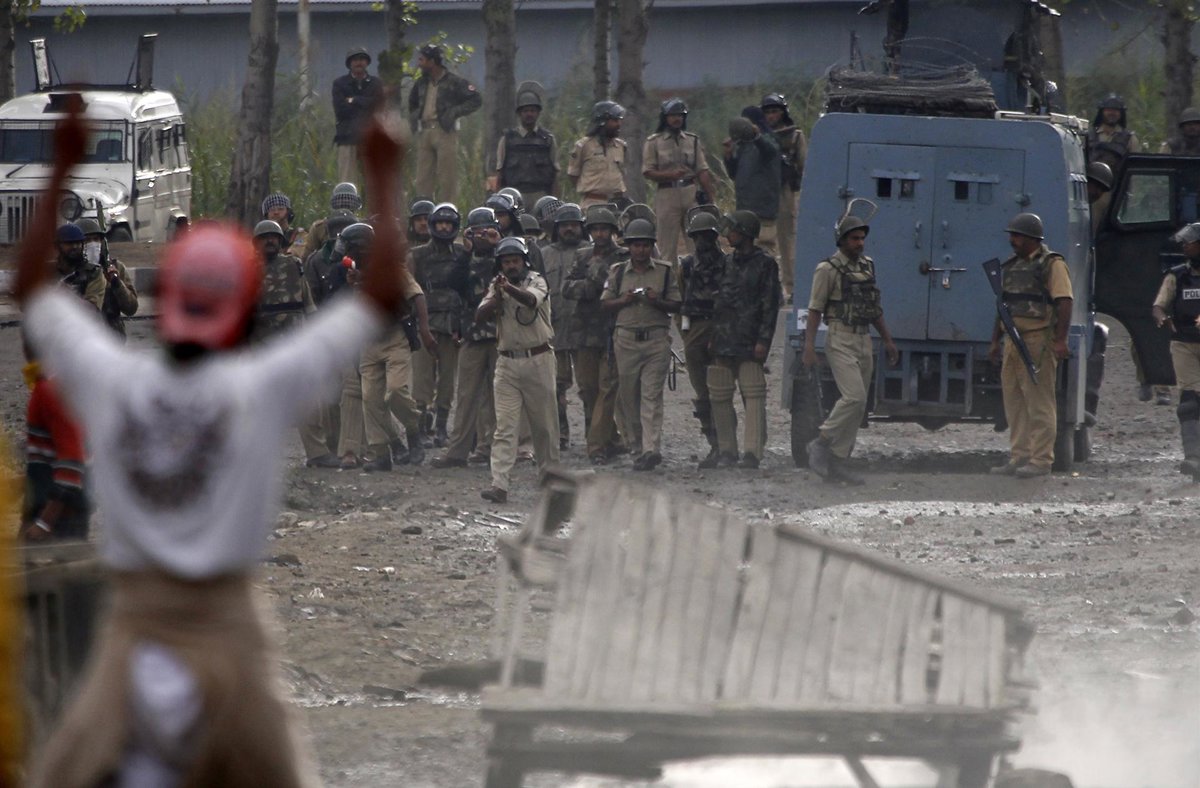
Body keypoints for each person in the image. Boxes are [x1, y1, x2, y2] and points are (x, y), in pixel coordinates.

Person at [21, 105, 409, 788]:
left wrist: (62, 165)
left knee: (61, 770)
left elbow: (28, 286)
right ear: (245, 312)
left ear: (163, 298)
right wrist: (383, 174)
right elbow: (379, 298)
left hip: (133, 629)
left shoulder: (113, 380)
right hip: (229, 630)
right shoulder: (261, 385)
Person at [804, 213, 899, 485]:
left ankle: (837, 461)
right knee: (854, 397)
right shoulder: (827, 269)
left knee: (859, 407)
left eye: (862, 238)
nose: (860, 243)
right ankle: (821, 441)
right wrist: (809, 345)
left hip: (863, 338)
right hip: (840, 337)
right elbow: (815, 309)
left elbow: (873, 308)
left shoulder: (867, 266)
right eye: (855, 238)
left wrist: (888, 339)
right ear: (842, 240)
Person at [987, 212, 1073, 479]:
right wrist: (995, 341)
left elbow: (1064, 301)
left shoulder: (1052, 264)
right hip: (1012, 341)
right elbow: (1002, 306)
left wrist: (1060, 340)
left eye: (1017, 236)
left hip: (1038, 340)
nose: (1012, 240)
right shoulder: (1012, 266)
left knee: (1039, 402)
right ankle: (1020, 456)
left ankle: (1041, 460)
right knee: (1014, 402)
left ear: (1032, 238)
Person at [248, 220, 339, 470]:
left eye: (274, 237)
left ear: (281, 241)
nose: (270, 241)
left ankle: (317, 453)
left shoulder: (293, 265)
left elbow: (307, 302)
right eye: (265, 237)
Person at [476, 237, 559, 502]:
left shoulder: (537, 280)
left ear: (524, 261)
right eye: (506, 262)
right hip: (507, 362)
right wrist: (496, 297)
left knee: (544, 426)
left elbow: (531, 300)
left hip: (538, 359)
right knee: (505, 427)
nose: (511, 266)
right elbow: (480, 315)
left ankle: (550, 479)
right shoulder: (497, 285)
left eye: (515, 261)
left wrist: (508, 289)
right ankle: (499, 484)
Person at [701, 211, 781, 470]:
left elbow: (770, 306)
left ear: (746, 233)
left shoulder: (765, 264)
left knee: (753, 394)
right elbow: (719, 303)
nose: (729, 235)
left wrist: (763, 341)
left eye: (733, 230)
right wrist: (714, 337)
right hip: (724, 339)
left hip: (749, 341)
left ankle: (752, 453)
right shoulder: (727, 262)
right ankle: (727, 450)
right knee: (720, 395)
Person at [354, 221, 436, 470]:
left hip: (394, 337)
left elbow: (417, 295)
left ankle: (414, 428)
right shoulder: (355, 272)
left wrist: (424, 329)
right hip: (368, 341)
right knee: (370, 400)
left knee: (397, 390)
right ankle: (384, 451)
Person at [601, 218, 681, 471]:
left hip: (656, 340)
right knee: (629, 396)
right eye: (636, 245)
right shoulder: (617, 272)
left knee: (651, 396)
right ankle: (636, 445)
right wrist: (623, 300)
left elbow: (677, 304)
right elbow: (605, 304)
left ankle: (650, 448)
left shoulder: (665, 272)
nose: (641, 250)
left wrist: (657, 301)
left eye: (645, 245)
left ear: (651, 246)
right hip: (626, 340)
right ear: (629, 246)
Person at [431, 207, 503, 467]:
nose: (482, 236)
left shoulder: (504, 256)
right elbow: (453, 282)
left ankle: (491, 449)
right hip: (472, 335)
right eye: (476, 232)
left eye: (486, 231)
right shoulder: (464, 259)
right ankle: (458, 451)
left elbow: (515, 274)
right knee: (466, 396)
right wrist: (467, 251)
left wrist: (498, 246)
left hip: (500, 335)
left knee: (498, 397)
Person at [564, 206, 629, 464]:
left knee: (607, 388)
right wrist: (592, 286)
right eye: (596, 229)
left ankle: (596, 446)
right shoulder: (582, 256)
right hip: (584, 332)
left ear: (612, 231)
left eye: (604, 229)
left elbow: (625, 288)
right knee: (588, 389)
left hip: (613, 330)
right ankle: (611, 438)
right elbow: (567, 287)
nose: (600, 234)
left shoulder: (623, 256)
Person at [411, 202, 470, 448]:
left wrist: (462, 325)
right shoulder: (417, 255)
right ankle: (421, 427)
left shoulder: (463, 254)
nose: (444, 227)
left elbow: (468, 292)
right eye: (440, 223)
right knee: (421, 380)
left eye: (448, 223)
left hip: (452, 323)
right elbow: (410, 289)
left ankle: (442, 427)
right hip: (424, 323)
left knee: (447, 379)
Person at [21, 339, 89, 542]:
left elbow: (73, 464)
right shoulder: (53, 384)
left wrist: (44, 523)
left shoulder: (50, 390)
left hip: (57, 517)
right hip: (53, 509)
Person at [641, 98, 717, 263]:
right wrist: (670, 175)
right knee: (666, 247)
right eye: (673, 115)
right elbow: (648, 171)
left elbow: (702, 170)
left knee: (698, 242)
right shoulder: (654, 142)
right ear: (665, 117)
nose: (677, 119)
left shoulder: (692, 140)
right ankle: (670, 278)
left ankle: (698, 275)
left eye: (680, 115)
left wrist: (711, 199)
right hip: (667, 194)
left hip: (690, 193)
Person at [677, 208, 725, 462]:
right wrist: (686, 335)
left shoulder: (728, 264)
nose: (702, 241)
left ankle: (725, 444)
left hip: (721, 330)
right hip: (695, 330)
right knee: (702, 393)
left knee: (721, 391)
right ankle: (714, 442)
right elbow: (680, 302)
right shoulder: (686, 266)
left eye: (707, 236)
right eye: (698, 236)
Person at [1153, 222, 1200, 479]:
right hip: (1184, 343)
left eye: (1189, 242)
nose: (1184, 246)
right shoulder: (1177, 276)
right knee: (1189, 403)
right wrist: (1162, 317)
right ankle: (1193, 457)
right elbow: (1159, 305)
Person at [407, 43, 482, 201]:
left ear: (432, 61)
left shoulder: (454, 81)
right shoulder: (421, 83)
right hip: (424, 131)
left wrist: (454, 112)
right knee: (422, 179)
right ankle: (423, 209)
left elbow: (476, 99)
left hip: (445, 132)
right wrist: (415, 117)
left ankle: (447, 210)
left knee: (447, 177)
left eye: (422, 60)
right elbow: (412, 103)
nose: (419, 63)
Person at [542, 202, 590, 449]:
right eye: (564, 226)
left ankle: (594, 436)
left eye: (574, 225)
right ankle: (560, 435)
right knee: (555, 387)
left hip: (585, 330)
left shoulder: (591, 252)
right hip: (553, 329)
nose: (569, 229)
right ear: (556, 228)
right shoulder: (544, 254)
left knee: (589, 386)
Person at [761, 93, 807, 301]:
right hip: (763, 193)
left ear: (783, 113)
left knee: (787, 242)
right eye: (767, 112)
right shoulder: (759, 136)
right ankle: (771, 289)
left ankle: (793, 287)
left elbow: (803, 165)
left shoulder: (794, 136)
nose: (771, 116)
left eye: (775, 111)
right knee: (764, 241)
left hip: (785, 191)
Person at [724, 110, 781, 260]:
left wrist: (757, 136)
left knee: (765, 253)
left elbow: (770, 151)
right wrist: (728, 156)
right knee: (745, 252)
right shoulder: (742, 146)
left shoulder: (769, 140)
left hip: (764, 210)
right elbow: (734, 174)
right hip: (745, 210)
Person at [490, 81, 558, 204]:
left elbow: (555, 174)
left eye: (532, 110)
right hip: (513, 196)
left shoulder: (548, 139)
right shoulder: (507, 139)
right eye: (525, 111)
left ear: (538, 112)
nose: (529, 114)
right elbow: (499, 173)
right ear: (519, 113)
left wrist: (555, 202)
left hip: (541, 195)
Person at [73, 217, 139, 337]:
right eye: (87, 240)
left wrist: (117, 283)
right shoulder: (70, 271)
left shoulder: (115, 267)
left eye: (96, 239)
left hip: (112, 337)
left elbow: (131, 308)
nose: (93, 244)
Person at [332, 45, 385, 184]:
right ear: (349, 63)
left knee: (374, 181)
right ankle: (348, 200)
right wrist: (367, 104)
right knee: (347, 180)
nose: (358, 63)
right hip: (347, 137)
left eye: (362, 59)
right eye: (355, 60)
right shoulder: (340, 84)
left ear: (367, 62)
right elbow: (341, 110)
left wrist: (354, 100)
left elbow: (378, 107)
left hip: (371, 138)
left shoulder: (376, 83)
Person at [568, 101, 628, 209]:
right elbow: (573, 175)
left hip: (618, 204)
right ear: (602, 122)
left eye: (619, 120)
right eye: (614, 120)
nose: (619, 124)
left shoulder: (621, 146)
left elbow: (622, 174)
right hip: (593, 204)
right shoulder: (584, 146)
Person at [1086, 93, 1140, 172]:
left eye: (1116, 110)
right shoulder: (1089, 136)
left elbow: (1135, 167)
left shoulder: (1129, 139)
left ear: (1121, 114)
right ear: (1102, 112)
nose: (1112, 113)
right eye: (1108, 110)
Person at [307, 181, 363, 255]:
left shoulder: (319, 227)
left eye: (347, 200)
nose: (344, 202)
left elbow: (307, 257)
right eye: (341, 200)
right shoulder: (363, 227)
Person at [261, 192, 308, 260]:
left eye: (280, 209)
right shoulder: (261, 236)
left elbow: (295, 254)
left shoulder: (299, 234)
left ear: (288, 212)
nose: (276, 212)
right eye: (272, 209)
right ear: (266, 214)